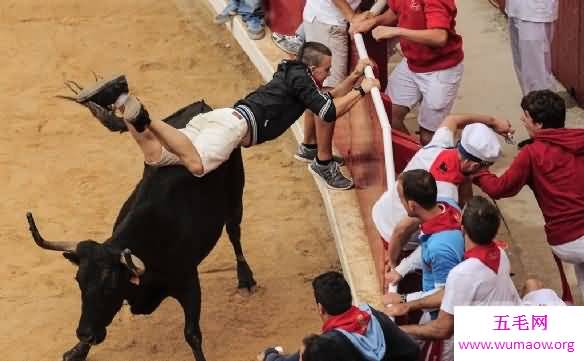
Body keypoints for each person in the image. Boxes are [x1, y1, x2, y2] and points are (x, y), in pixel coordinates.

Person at [76, 42, 380, 190]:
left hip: (220, 118)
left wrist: (354, 76)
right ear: (313, 68)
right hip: (233, 129)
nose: (328, 74)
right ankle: (145, 116)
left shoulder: (297, 77)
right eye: (326, 69)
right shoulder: (302, 80)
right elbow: (328, 110)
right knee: (196, 166)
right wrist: (364, 90)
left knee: (156, 157)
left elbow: (327, 99)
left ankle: (121, 99)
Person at [387, 196, 564, 361]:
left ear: (462, 226)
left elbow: (442, 329)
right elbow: (452, 292)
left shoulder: (462, 273)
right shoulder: (501, 254)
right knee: (533, 284)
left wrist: (398, 330)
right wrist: (408, 303)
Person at [473, 90, 584, 299]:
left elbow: (499, 188)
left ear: (539, 124)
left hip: (566, 242)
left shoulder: (531, 153)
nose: (523, 120)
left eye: (526, 116)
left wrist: (478, 172)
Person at [371, 114, 512, 271]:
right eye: (484, 167)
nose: (486, 171)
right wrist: (393, 261)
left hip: (381, 211)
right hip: (393, 239)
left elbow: (453, 119)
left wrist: (494, 121)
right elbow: (402, 229)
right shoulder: (445, 196)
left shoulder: (440, 145)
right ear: (472, 165)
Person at [350, 0, 464, 145]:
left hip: (441, 69)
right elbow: (395, 11)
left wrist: (396, 31)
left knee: (429, 136)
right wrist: (374, 21)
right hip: (412, 63)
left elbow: (439, 37)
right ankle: (416, 159)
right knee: (388, 114)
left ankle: (426, 162)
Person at [258, 271, 420, 361]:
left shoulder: (326, 345)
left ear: (320, 308)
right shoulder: (373, 316)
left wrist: (270, 356)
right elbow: (412, 349)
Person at [294, 0, 363, 164]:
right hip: (329, 22)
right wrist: (352, 16)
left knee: (318, 91)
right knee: (327, 95)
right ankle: (323, 161)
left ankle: (309, 147)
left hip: (323, 19)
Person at [506, 0, 559, 95]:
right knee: (522, 69)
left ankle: (543, 107)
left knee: (537, 74)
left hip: (535, 11)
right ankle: (530, 105)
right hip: (515, 8)